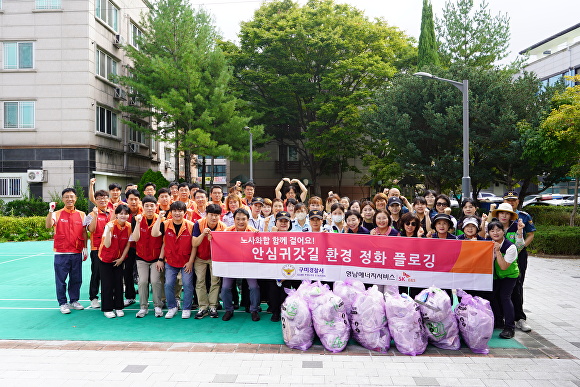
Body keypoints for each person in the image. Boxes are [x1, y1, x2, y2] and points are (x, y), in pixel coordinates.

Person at [45, 188, 88, 314]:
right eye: (66, 197)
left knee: (76, 279)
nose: (69, 199)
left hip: (76, 251)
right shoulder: (56, 213)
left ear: (76, 199)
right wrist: (50, 211)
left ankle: (74, 301)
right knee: (61, 280)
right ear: (63, 199)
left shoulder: (82, 214)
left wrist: (85, 247)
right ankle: (63, 303)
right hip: (61, 253)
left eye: (72, 196)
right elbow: (48, 225)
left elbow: (84, 232)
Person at [151, 201, 196, 319]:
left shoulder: (191, 225)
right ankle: (172, 307)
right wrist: (159, 218)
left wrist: (191, 262)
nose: (177, 213)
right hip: (170, 261)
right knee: (168, 284)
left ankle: (186, 308)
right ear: (170, 212)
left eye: (180, 211)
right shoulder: (165, 224)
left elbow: (194, 246)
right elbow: (155, 234)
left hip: (186, 261)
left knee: (187, 284)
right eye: (174, 211)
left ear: (184, 212)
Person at [503, 191, 536, 333]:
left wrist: (520, 247)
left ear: (518, 201)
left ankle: (519, 317)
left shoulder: (523, 216)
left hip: (519, 254)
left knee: (517, 284)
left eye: (513, 200)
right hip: (500, 256)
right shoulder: (498, 216)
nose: (511, 202)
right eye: (508, 200)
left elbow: (531, 234)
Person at [221, 208, 260, 322]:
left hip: (248, 264)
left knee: (254, 287)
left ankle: (254, 310)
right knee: (225, 287)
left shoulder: (254, 232)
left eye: (243, 219)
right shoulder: (227, 232)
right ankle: (229, 309)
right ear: (234, 220)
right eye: (238, 219)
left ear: (248, 220)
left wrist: (258, 237)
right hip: (231, 264)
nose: (240, 222)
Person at [488, 219, 522, 339]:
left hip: (509, 275)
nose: (495, 233)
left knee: (505, 297)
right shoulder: (488, 244)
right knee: (492, 296)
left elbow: (503, 267)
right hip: (496, 276)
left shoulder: (510, 247)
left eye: (498, 230)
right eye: (492, 231)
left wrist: (497, 251)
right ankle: (498, 322)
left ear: (504, 232)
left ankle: (509, 328)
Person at [131, 196, 164, 318]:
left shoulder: (162, 220)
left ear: (156, 206)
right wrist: (138, 223)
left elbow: (162, 240)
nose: (149, 208)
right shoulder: (137, 219)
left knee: (155, 281)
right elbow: (135, 238)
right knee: (143, 281)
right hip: (141, 257)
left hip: (156, 258)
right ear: (142, 207)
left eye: (152, 206)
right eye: (146, 206)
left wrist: (161, 259)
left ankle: (157, 306)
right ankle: (143, 307)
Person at [191, 204, 226, 319]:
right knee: (200, 281)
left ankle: (213, 306)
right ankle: (203, 307)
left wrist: (214, 239)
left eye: (216, 215)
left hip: (215, 258)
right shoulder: (198, 224)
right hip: (200, 258)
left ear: (220, 216)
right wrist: (203, 234)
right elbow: (194, 243)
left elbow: (225, 246)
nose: (214, 218)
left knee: (215, 281)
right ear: (206, 215)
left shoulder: (223, 227)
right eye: (211, 215)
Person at [98, 204, 132, 318]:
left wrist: (122, 258)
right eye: (121, 213)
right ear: (116, 214)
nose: (123, 216)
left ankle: (119, 307)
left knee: (118, 283)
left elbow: (128, 244)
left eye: (126, 214)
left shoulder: (129, 226)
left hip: (119, 259)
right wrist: (108, 231)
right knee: (107, 284)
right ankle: (107, 309)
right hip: (106, 258)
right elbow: (107, 245)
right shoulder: (110, 225)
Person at [268, 211, 299, 321]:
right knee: (273, 292)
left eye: (286, 221)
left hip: (289, 270)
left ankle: (286, 311)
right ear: (276, 222)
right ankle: (275, 311)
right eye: (281, 221)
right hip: (273, 270)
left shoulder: (294, 237)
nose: (283, 224)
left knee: (286, 292)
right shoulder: (268, 236)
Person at [85, 189, 112, 309]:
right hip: (96, 248)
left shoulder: (112, 212)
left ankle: (109, 296)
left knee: (110, 273)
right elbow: (91, 229)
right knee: (96, 273)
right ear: (95, 201)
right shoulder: (91, 215)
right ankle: (94, 298)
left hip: (110, 248)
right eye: (99, 198)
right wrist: (95, 215)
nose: (102, 200)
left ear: (108, 199)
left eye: (105, 198)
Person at [122, 189, 142, 307]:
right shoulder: (124, 213)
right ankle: (130, 297)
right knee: (127, 272)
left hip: (143, 248)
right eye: (131, 199)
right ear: (127, 200)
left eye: (136, 199)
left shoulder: (144, 212)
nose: (133, 202)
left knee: (146, 274)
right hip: (128, 248)